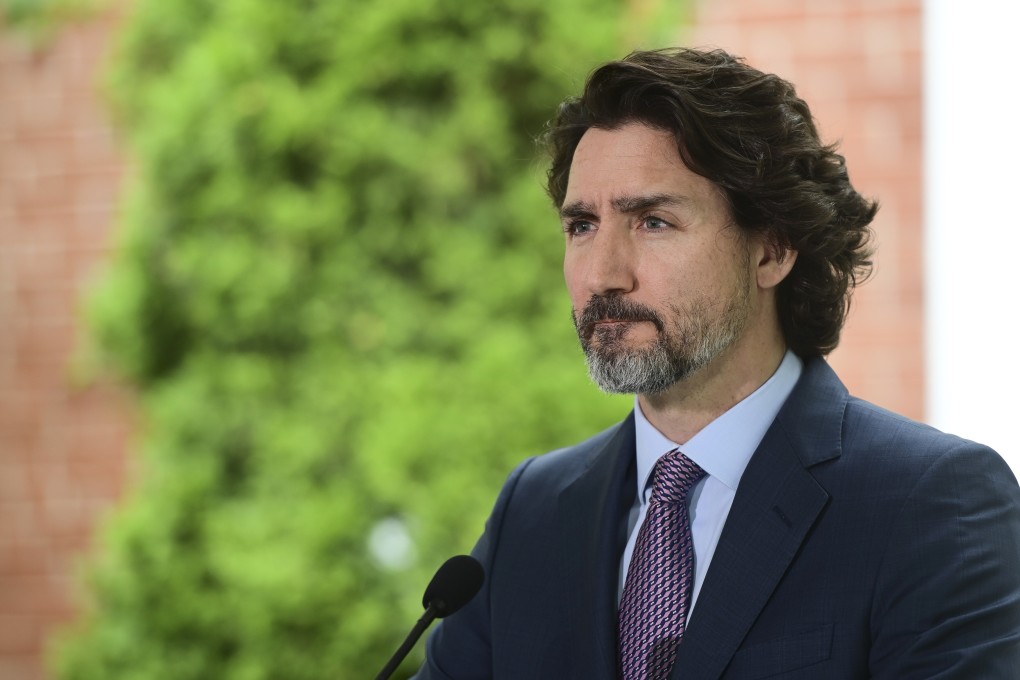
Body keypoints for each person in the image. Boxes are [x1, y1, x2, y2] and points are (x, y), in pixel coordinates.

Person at [412, 47, 1020, 679]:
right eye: (582, 226)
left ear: (773, 250)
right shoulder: (532, 512)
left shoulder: (931, 501)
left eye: (652, 221)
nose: (601, 275)